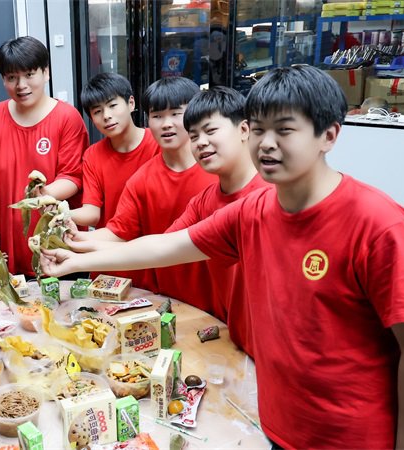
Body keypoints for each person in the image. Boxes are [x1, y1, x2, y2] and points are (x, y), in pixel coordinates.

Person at [41, 66, 404, 449]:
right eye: (259, 129)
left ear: (328, 135)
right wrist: (73, 261)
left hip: (351, 435)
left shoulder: (379, 225)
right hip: (277, 423)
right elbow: (165, 246)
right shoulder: (253, 211)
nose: (266, 143)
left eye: (284, 130)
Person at [68, 77, 215, 293]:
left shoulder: (218, 168)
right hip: (162, 284)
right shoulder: (140, 179)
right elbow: (119, 231)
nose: (166, 124)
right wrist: (74, 239)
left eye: (176, 114)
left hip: (215, 287)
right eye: (157, 116)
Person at [165, 86, 269, 356]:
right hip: (237, 339)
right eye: (194, 136)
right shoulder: (204, 200)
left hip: (274, 350)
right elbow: (162, 246)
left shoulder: (271, 197)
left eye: (210, 131)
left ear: (244, 129)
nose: (200, 142)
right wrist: (79, 245)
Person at [0, 36, 88, 276]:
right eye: (11, 77)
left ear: (46, 72)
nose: (21, 85)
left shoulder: (67, 118)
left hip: (57, 245)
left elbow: (73, 177)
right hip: (8, 246)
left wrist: (42, 195)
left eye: (29, 74)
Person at [71, 72, 158, 229]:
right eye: (97, 111)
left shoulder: (158, 142)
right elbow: (92, 213)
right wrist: (60, 213)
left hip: (155, 239)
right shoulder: (92, 155)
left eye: (112, 105)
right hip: (110, 240)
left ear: (131, 103)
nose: (106, 116)